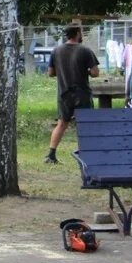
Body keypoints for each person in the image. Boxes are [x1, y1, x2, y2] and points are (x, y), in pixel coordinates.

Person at [44, 23, 100, 164]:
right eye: (80, 32)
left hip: (64, 93)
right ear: (77, 33)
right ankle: (86, 154)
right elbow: (95, 73)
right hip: (82, 94)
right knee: (85, 124)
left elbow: (50, 73)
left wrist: (64, 71)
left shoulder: (56, 51)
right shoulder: (85, 51)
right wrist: (84, 70)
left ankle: (51, 154)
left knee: (62, 123)